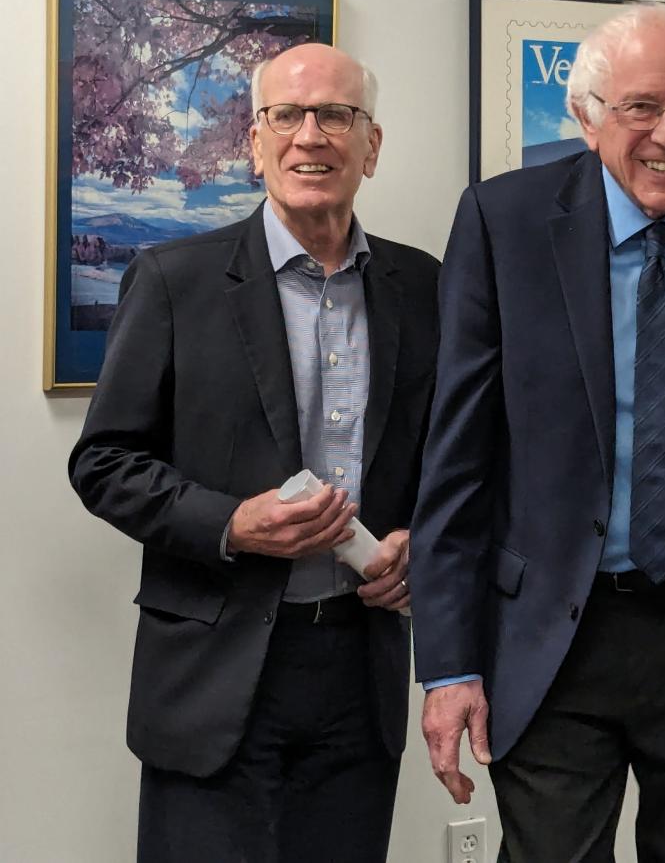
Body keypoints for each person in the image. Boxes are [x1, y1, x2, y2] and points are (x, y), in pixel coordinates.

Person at [409, 3, 665, 861]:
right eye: (641, 108)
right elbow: (457, 459)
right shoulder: (508, 224)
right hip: (557, 632)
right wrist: (448, 664)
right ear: (587, 116)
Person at [68, 43, 439, 863]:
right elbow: (102, 464)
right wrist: (232, 522)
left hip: (358, 670)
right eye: (288, 116)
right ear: (255, 141)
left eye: (337, 115)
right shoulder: (174, 279)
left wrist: (426, 543)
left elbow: (452, 466)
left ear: (371, 145)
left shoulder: (426, 288)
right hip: (213, 668)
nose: (313, 136)